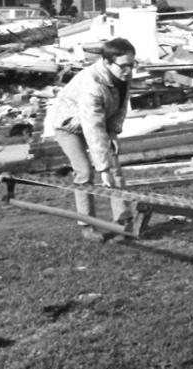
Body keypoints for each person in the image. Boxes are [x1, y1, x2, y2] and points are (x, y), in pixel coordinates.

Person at [43, 37, 137, 241]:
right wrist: (101, 168)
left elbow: (121, 108)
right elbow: (92, 128)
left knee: (115, 169)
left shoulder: (124, 77)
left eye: (132, 64)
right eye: (124, 66)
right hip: (69, 126)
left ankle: (123, 223)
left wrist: (113, 133)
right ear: (107, 62)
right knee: (85, 171)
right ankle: (87, 226)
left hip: (98, 123)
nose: (128, 71)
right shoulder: (92, 85)